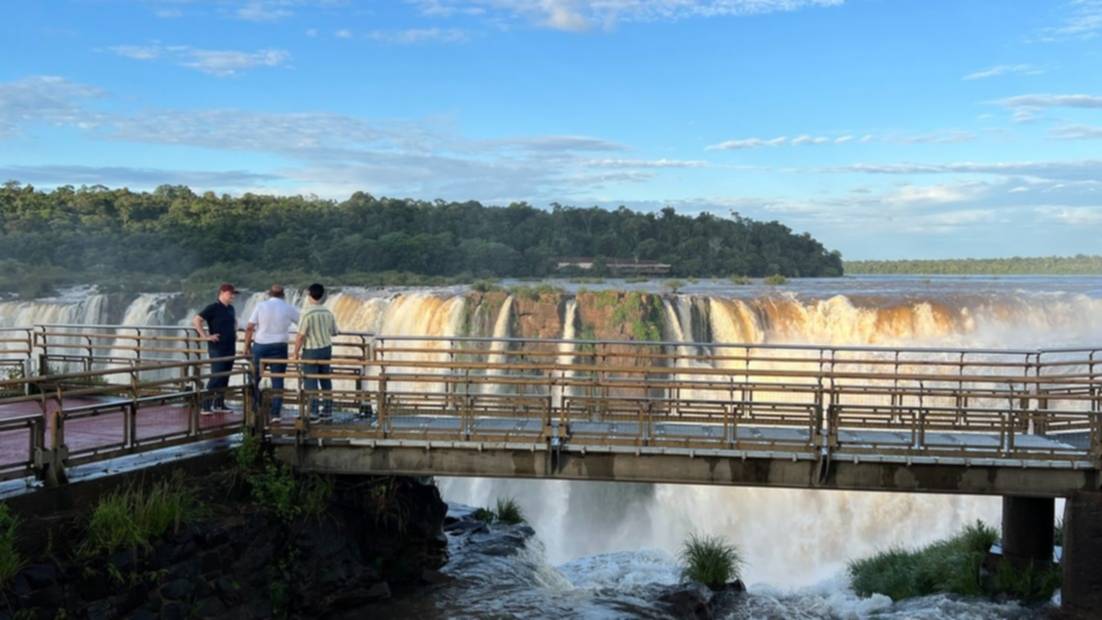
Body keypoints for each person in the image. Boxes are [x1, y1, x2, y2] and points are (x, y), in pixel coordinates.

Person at [244, 284, 300, 420]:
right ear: (283, 295)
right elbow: (301, 323)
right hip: (279, 346)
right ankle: (275, 414)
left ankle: (255, 407)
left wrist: (246, 346)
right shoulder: (288, 308)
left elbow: (250, 327)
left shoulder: (260, 306)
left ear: (269, 294)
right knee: (278, 380)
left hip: (260, 345)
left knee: (254, 377)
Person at [292, 283, 339, 420]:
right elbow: (334, 332)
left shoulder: (306, 313)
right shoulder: (328, 312)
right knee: (325, 379)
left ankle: (313, 412)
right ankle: (328, 410)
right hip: (326, 349)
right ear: (323, 295)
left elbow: (301, 336)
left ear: (309, 295)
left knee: (310, 381)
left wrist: (295, 353)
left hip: (311, 350)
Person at [192, 283, 238, 416]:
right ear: (222, 293)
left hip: (230, 346)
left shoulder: (231, 308)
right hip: (217, 348)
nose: (232, 297)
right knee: (216, 376)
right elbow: (196, 320)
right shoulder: (213, 307)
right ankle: (205, 405)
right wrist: (205, 336)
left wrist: (235, 331)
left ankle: (219, 403)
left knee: (225, 376)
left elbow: (233, 322)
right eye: (230, 294)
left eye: (233, 294)